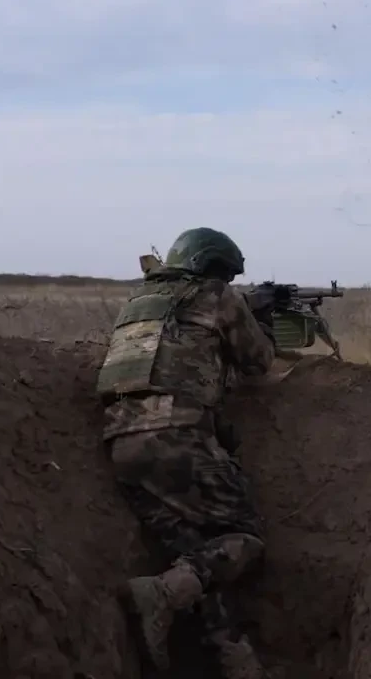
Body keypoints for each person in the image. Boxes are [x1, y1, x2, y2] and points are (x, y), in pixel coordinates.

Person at [97, 227, 276, 679]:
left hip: (122, 444)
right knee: (243, 537)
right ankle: (158, 595)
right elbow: (258, 363)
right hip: (177, 438)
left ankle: (231, 654)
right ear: (209, 268)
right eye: (223, 275)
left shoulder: (138, 302)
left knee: (197, 555)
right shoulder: (218, 296)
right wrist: (256, 319)